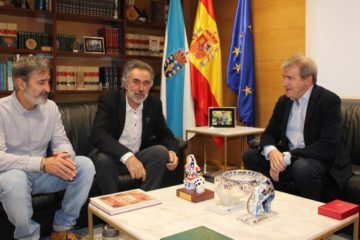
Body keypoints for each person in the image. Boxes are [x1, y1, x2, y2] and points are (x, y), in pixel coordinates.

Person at [0, 55, 95, 240]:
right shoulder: (1, 110)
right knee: (16, 180)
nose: (48, 89)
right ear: (21, 83)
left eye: (48, 82)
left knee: (85, 165)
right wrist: (42, 163)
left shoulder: (50, 107)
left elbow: (61, 141)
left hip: (43, 176)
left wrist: (64, 156)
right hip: (11, 174)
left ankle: (62, 228)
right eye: (41, 82)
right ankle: (28, 236)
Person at [243, 54, 351, 201]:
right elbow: (269, 133)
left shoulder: (328, 101)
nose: (284, 83)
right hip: (290, 157)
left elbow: (328, 145)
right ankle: (269, 202)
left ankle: (312, 216)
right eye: (284, 77)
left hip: (321, 160)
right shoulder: (284, 101)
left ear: (308, 80)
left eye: (290, 78)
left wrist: (286, 157)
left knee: (302, 167)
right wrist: (273, 152)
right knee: (251, 156)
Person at [89, 59, 179, 194]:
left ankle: (144, 199)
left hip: (137, 156)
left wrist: (172, 151)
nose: (141, 88)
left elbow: (165, 134)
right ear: (125, 83)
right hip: (111, 156)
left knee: (160, 152)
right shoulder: (110, 100)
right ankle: (112, 205)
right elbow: (99, 134)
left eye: (146, 83)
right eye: (136, 82)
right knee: (103, 159)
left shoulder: (153, 104)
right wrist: (127, 156)